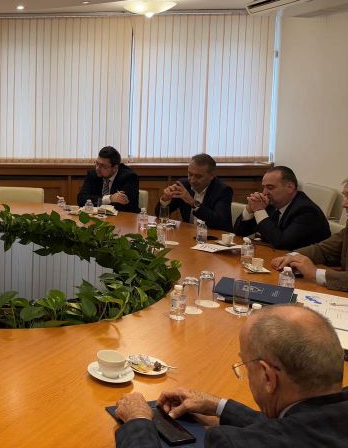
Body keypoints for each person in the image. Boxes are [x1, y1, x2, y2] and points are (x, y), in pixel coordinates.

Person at [114, 304, 348, 447]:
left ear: (268, 377)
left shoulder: (233, 443)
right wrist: (217, 406)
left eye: (245, 365)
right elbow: (299, 426)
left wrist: (137, 421)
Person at [271, 178, 348, 292]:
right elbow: (323, 250)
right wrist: (292, 256)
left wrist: (315, 273)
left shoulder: (305, 208)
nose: (344, 204)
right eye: (345, 196)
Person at [233, 166, 330, 251]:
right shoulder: (271, 204)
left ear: (290, 187)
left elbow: (281, 242)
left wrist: (259, 210)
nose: (264, 192)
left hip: (307, 263)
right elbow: (240, 232)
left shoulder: (306, 211)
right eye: (264, 187)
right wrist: (250, 209)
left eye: (270, 187)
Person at [155, 153, 234, 231]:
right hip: (188, 234)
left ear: (211, 176)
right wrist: (165, 200)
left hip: (213, 236)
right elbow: (159, 215)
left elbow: (220, 222)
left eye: (198, 176)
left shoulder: (222, 191)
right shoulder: (183, 185)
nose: (192, 180)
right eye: (190, 174)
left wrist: (193, 203)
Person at [77, 146, 140, 213]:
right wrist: (109, 199)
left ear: (115, 168)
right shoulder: (93, 174)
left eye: (103, 166)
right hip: (97, 217)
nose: (97, 168)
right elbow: (81, 199)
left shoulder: (129, 177)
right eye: (97, 163)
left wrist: (96, 201)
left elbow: (125, 206)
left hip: (123, 217)